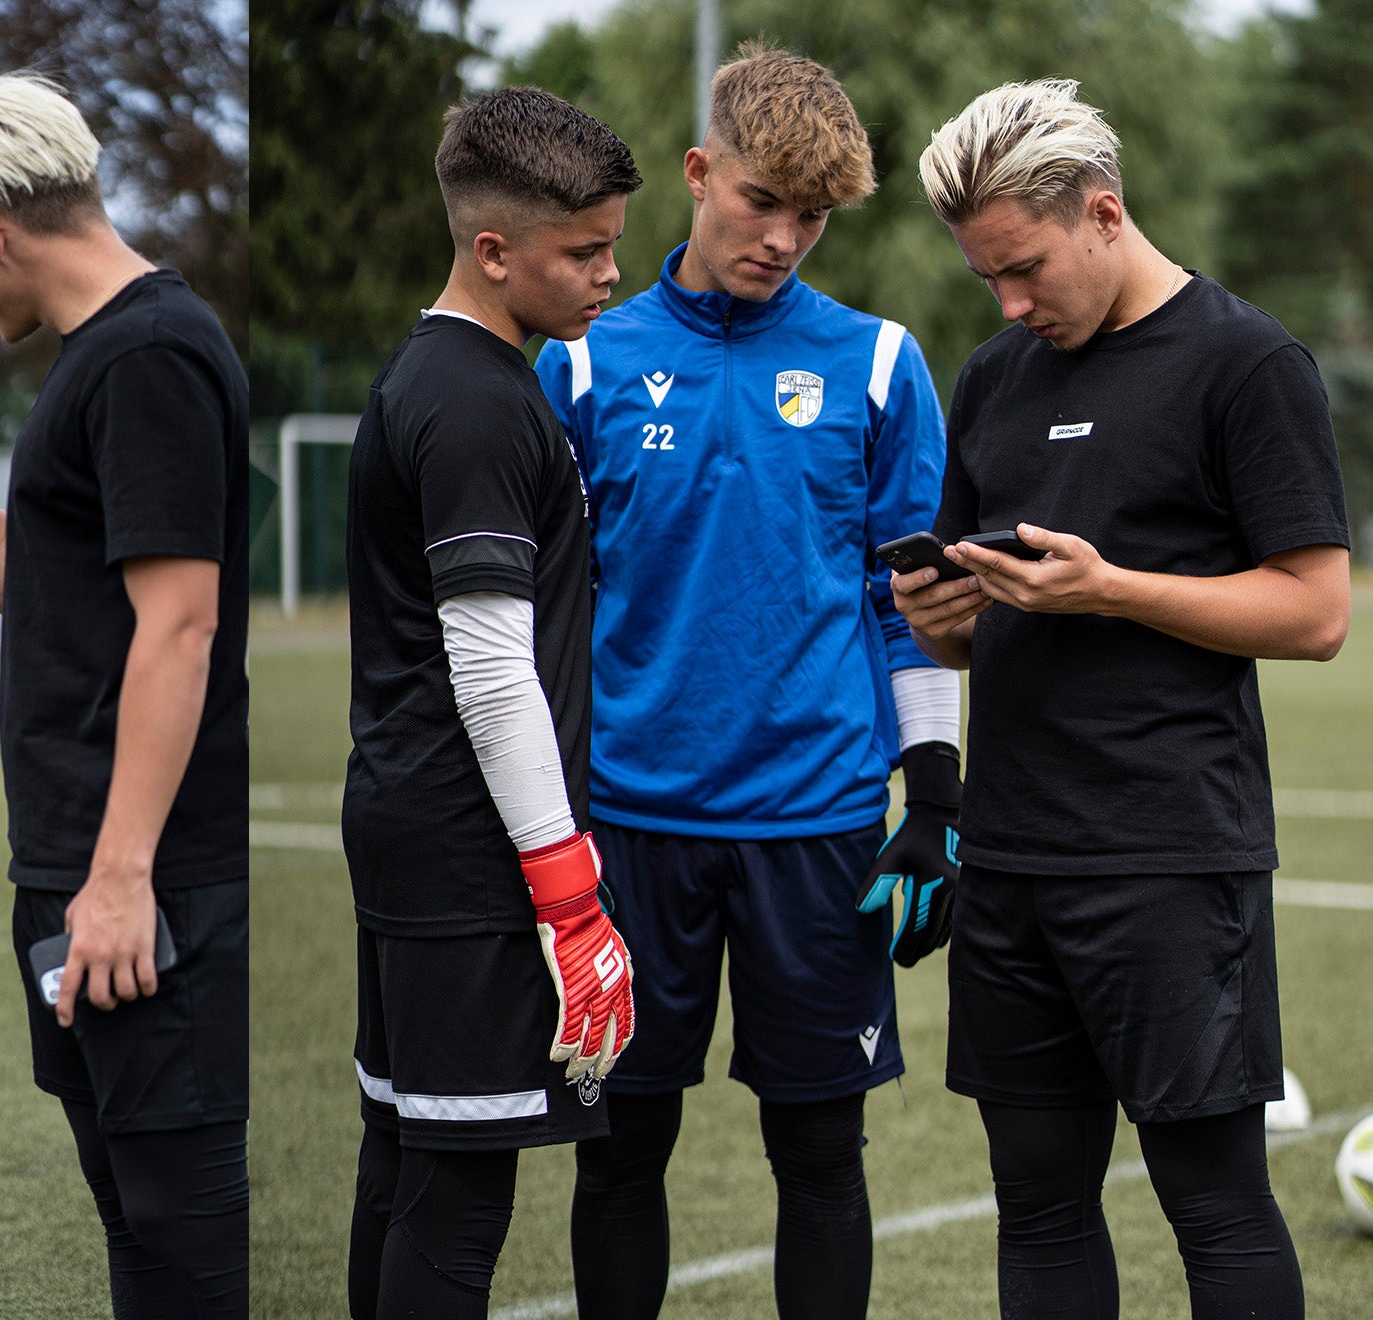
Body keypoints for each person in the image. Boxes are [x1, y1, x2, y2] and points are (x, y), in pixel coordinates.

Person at [898, 78, 1350, 1319]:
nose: (1010, 302)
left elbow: (1315, 614)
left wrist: (1112, 591)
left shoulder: (1248, 363)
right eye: (988, 276)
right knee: (1038, 1207)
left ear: (1104, 214)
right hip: (1013, 859)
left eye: (1028, 268)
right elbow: (984, 627)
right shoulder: (993, 376)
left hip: (1168, 857)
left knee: (1213, 1205)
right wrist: (947, 626)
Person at [532, 45, 954, 1319]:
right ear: (700, 173)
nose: (784, 237)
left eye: (812, 217)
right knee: (618, 1157)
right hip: (629, 831)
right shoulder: (583, 365)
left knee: (821, 1156)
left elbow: (913, 605)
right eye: (761, 201)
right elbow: (549, 617)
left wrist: (932, 796)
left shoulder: (880, 363)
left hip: (818, 827)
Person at [0, 72, 248, 1317]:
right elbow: (47, 585)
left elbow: (180, 629)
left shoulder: (153, 355)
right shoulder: (98, 359)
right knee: (134, 1224)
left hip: (149, 885)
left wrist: (120, 876)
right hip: (75, 873)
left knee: (182, 1253)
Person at [342, 86, 641, 1319]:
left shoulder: (459, 375)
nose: (610, 275)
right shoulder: (472, 402)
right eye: (584, 252)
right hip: (473, 854)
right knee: (457, 1207)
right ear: (494, 249)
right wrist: (569, 901)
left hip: (420, 829)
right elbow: (489, 666)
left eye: (615, 244)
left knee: (403, 1168)